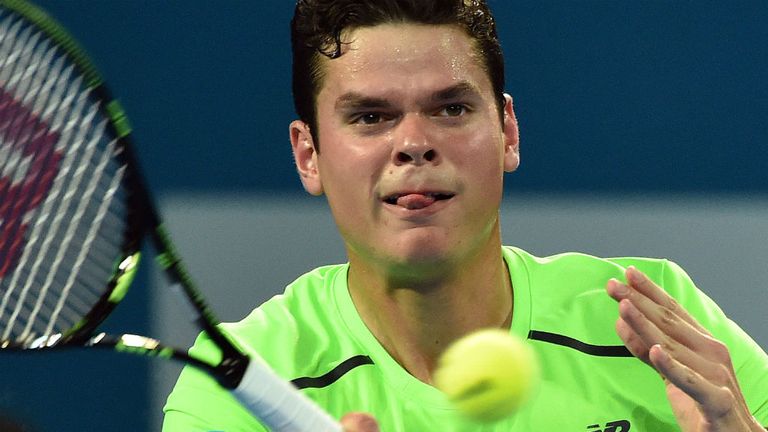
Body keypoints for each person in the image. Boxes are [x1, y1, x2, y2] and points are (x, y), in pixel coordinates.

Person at [163, 1, 768, 431]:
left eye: (450, 108)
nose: (414, 143)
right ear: (308, 155)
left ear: (508, 131)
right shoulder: (244, 385)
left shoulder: (654, 324)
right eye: (370, 117)